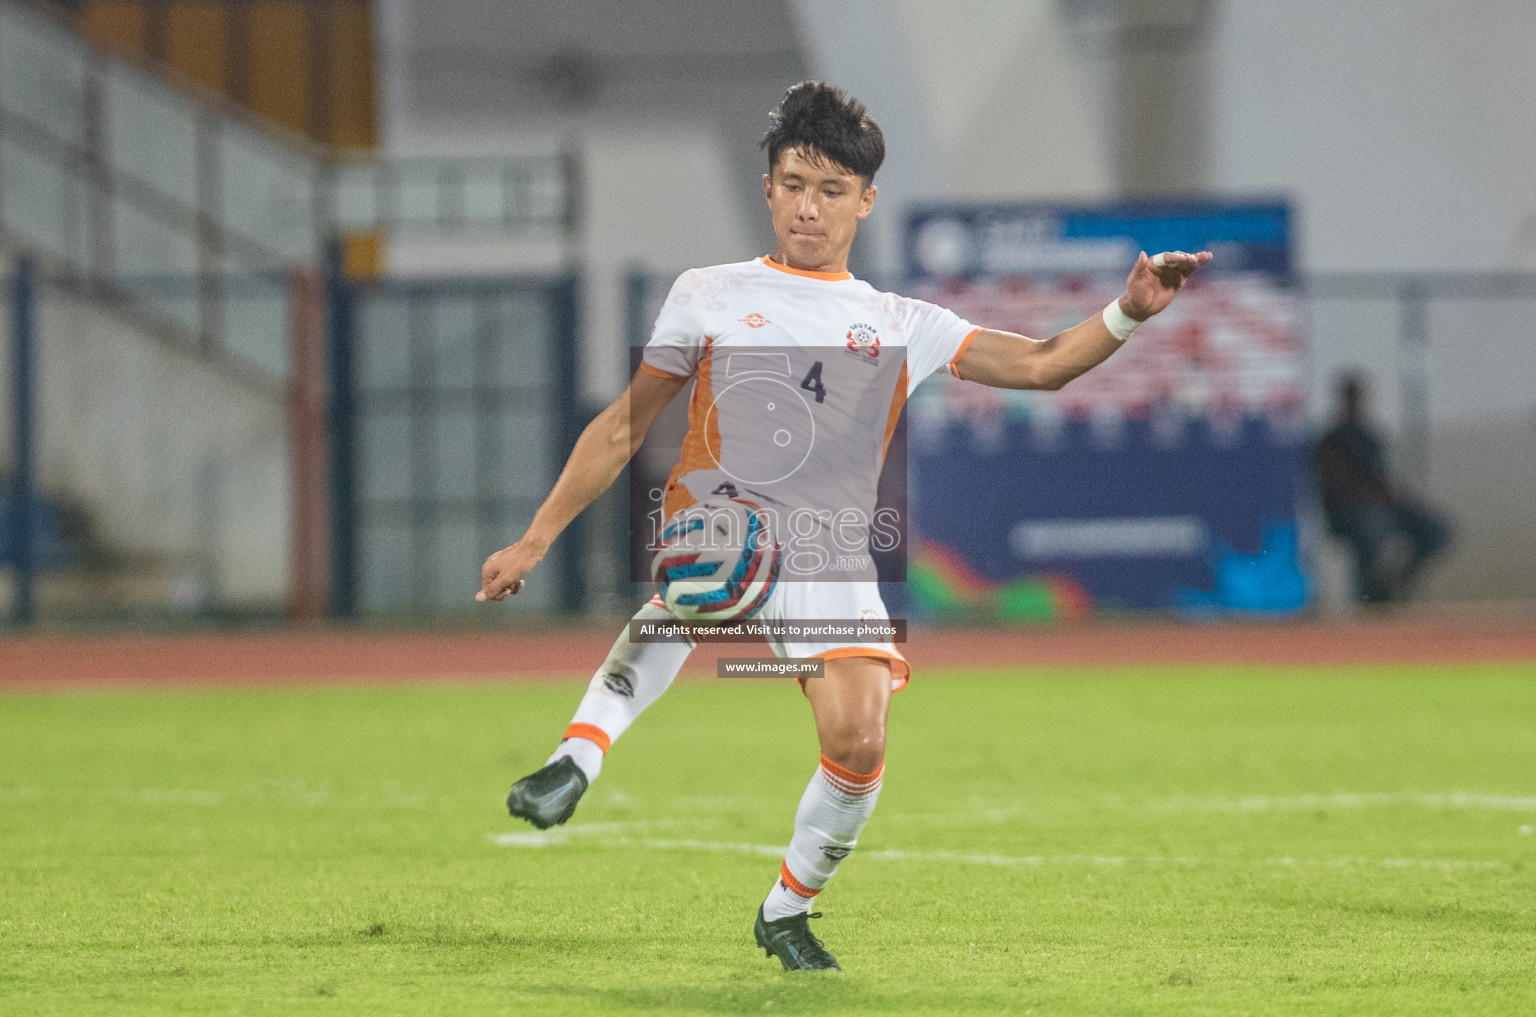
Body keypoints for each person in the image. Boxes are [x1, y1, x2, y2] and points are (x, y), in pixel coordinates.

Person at [476, 82, 1211, 971]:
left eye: (829, 189)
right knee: (711, 568)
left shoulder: (902, 322)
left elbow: (1047, 364)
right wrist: (535, 537)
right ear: (768, 189)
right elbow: (626, 424)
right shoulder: (707, 294)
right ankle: (577, 756)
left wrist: (1129, 310)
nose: (807, 206)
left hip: (829, 561)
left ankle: (787, 909)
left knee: (859, 744)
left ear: (865, 199)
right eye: (792, 184)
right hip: (724, 518)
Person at [1312, 374, 1451, 603]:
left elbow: (1385, 481)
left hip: (1383, 507)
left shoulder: (1370, 437)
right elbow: (1335, 485)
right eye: (1351, 396)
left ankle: (1391, 588)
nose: (1356, 401)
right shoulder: (1330, 440)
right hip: (1350, 512)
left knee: (1436, 530)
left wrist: (1399, 499)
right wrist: (1375, 499)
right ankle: (1368, 601)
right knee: (1369, 532)